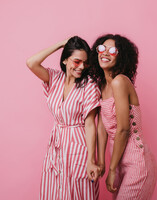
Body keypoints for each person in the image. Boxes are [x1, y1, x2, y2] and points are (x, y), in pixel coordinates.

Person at [26, 36, 101, 200]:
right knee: (54, 190)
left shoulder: (89, 86)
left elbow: (90, 125)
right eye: (77, 61)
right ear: (65, 59)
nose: (82, 67)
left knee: (78, 192)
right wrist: (60, 44)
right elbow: (31, 63)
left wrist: (91, 160)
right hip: (56, 146)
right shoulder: (55, 79)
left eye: (85, 63)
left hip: (78, 147)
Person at [90, 34, 157, 199]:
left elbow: (123, 130)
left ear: (121, 57)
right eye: (101, 48)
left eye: (112, 50)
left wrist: (111, 170)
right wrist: (101, 162)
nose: (105, 53)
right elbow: (101, 127)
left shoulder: (120, 82)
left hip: (137, 162)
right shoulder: (102, 85)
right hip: (118, 162)